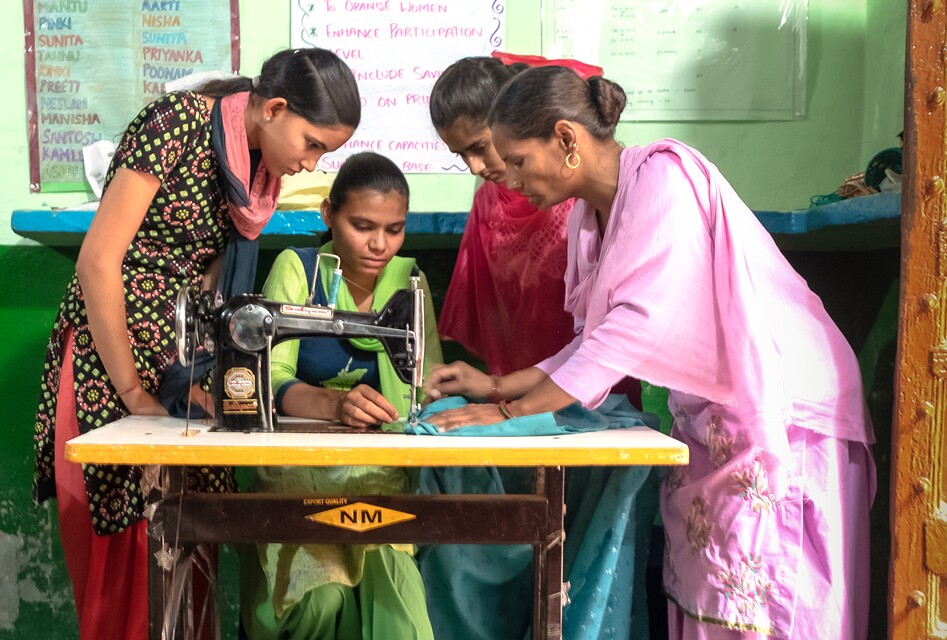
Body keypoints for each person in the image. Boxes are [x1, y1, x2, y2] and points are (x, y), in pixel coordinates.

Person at [425, 66, 876, 639]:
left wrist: (511, 417)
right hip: (723, 411)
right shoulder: (592, 218)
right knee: (711, 592)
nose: (505, 177)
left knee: (769, 602)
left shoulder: (664, 178)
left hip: (785, 409)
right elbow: (594, 338)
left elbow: (631, 330)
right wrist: (496, 386)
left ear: (566, 140)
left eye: (515, 161)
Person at [32, 48, 361, 639]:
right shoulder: (174, 125)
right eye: (312, 144)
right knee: (132, 557)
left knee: (191, 551)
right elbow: (100, 261)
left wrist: (204, 379)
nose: (312, 164)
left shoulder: (254, 173)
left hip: (179, 366)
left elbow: (210, 280)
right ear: (277, 108)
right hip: (112, 362)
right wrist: (133, 391)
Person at [238, 151, 442, 640]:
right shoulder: (298, 270)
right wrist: (333, 405)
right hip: (297, 474)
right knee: (319, 600)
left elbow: (426, 381)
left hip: (379, 480)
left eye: (395, 229)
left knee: (393, 590)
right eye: (362, 225)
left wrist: (443, 396)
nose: (380, 244)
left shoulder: (410, 283)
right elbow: (269, 375)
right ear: (329, 214)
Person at [429, 55, 577, 375]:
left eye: (480, 147)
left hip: (589, 388)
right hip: (515, 395)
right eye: (460, 155)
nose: (474, 167)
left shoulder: (572, 196)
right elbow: (495, 321)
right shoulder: (487, 203)